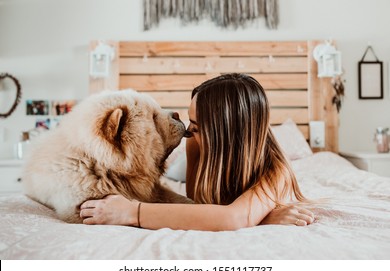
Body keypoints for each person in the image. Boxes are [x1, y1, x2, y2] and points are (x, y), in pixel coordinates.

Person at [80, 73, 315, 230]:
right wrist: (261, 216)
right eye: (190, 120)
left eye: (198, 126)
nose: (187, 130)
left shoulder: (277, 171)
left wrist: (132, 212)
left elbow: (233, 218)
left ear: (226, 135)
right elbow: (200, 204)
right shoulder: (194, 143)